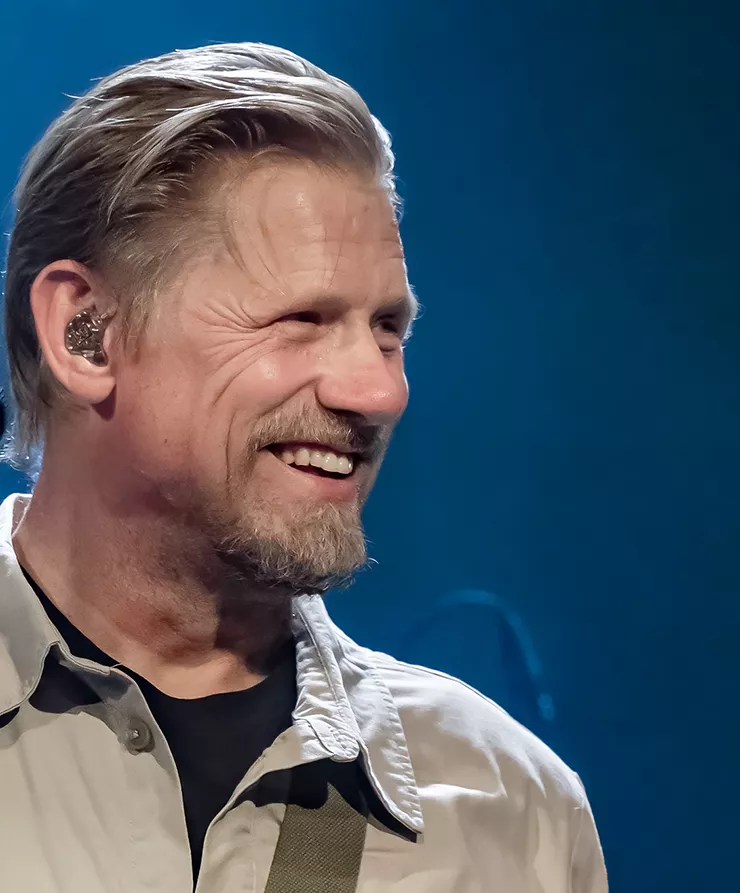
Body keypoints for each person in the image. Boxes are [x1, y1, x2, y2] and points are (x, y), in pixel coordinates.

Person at [0, 42, 607, 892]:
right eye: (303, 320)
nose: (380, 391)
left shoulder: (513, 815)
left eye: (389, 330)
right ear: (87, 332)